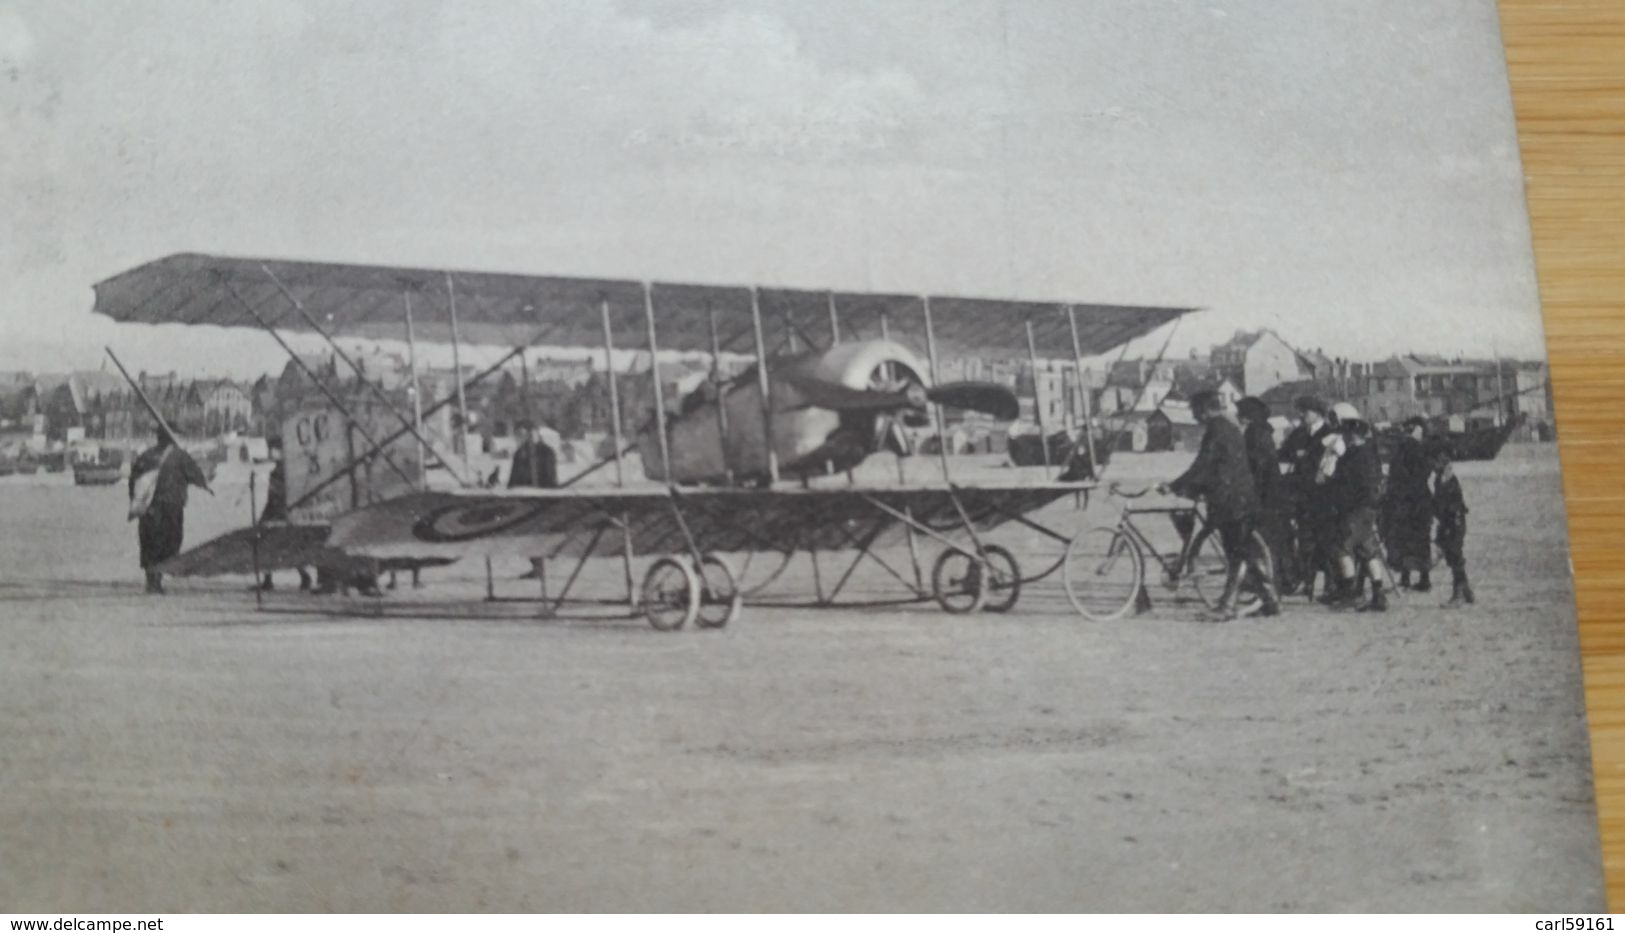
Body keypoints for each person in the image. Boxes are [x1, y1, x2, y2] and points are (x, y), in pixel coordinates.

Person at [1158, 390, 1280, 621]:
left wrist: (1174, 486)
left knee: (1236, 555)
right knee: (1243, 553)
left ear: (1204, 410)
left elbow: (1202, 465)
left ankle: (1227, 606)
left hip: (1232, 503)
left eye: (1195, 411)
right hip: (1237, 500)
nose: (1194, 416)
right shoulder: (1226, 427)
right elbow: (1213, 467)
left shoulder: (1217, 430)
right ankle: (1270, 599)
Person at [128, 427, 210, 594]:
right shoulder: (180, 456)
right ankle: (157, 579)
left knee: (150, 542)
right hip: (171, 507)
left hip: (148, 507)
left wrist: (138, 501)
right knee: (168, 541)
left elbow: (133, 482)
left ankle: (151, 580)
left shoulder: (146, 455)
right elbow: (197, 476)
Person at [1278, 396, 1340, 600]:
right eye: (1301, 411)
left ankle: (1330, 585)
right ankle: (1308, 583)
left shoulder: (1330, 434)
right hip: (1302, 497)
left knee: (1327, 542)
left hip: (1325, 497)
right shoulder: (1298, 434)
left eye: (1305, 411)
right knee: (1306, 541)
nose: (1301, 415)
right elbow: (1284, 454)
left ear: (1318, 413)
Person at [1327, 408, 1389, 612]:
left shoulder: (1354, 456)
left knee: (1342, 548)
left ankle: (1352, 594)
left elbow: (1347, 485)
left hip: (1355, 510)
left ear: (1351, 435)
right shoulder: (1370, 453)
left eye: (1345, 434)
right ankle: (1379, 595)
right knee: (1367, 550)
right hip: (1370, 509)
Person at [1237, 395, 1292, 592]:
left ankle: (1270, 582)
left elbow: (1257, 467)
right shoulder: (1262, 431)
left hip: (1265, 496)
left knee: (1264, 540)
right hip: (1272, 495)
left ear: (1248, 415)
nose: (1238, 416)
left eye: (1240, 413)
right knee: (1272, 540)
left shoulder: (1255, 433)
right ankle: (1279, 580)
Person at [254, 437, 313, 593]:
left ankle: (300, 576)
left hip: (279, 511)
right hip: (277, 509)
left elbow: (280, 494)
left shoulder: (284, 470)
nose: (271, 452)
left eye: (273, 449)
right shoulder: (283, 468)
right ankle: (272, 578)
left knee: (278, 544)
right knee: (280, 545)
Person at [1384, 416, 1434, 591]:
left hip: (1407, 501)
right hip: (1420, 500)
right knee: (1421, 540)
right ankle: (1423, 578)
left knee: (1404, 538)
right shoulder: (1421, 448)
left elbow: (1397, 474)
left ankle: (1408, 577)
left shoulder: (1404, 448)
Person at [509, 421, 559, 582]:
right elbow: (514, 475)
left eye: (530, 434)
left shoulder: (546, 452)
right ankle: (536, 565)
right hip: (524, 497)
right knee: (525, 534)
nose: (528, 438)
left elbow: (550, 476)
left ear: (537, 433)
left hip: (541, 497)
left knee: (541, 533)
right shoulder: (520, 453)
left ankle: (540, 564)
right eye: (524, 435)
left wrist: (549, 494)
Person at [1431, 442, 1474, 607]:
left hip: (1454, 523)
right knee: (1453, 557)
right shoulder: (1439, 481)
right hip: (1447, 523)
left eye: (1437, 465)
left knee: (1454, 556)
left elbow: (1452, 506)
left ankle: (1458, 594)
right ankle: (1466, 591)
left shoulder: (1450, 483)